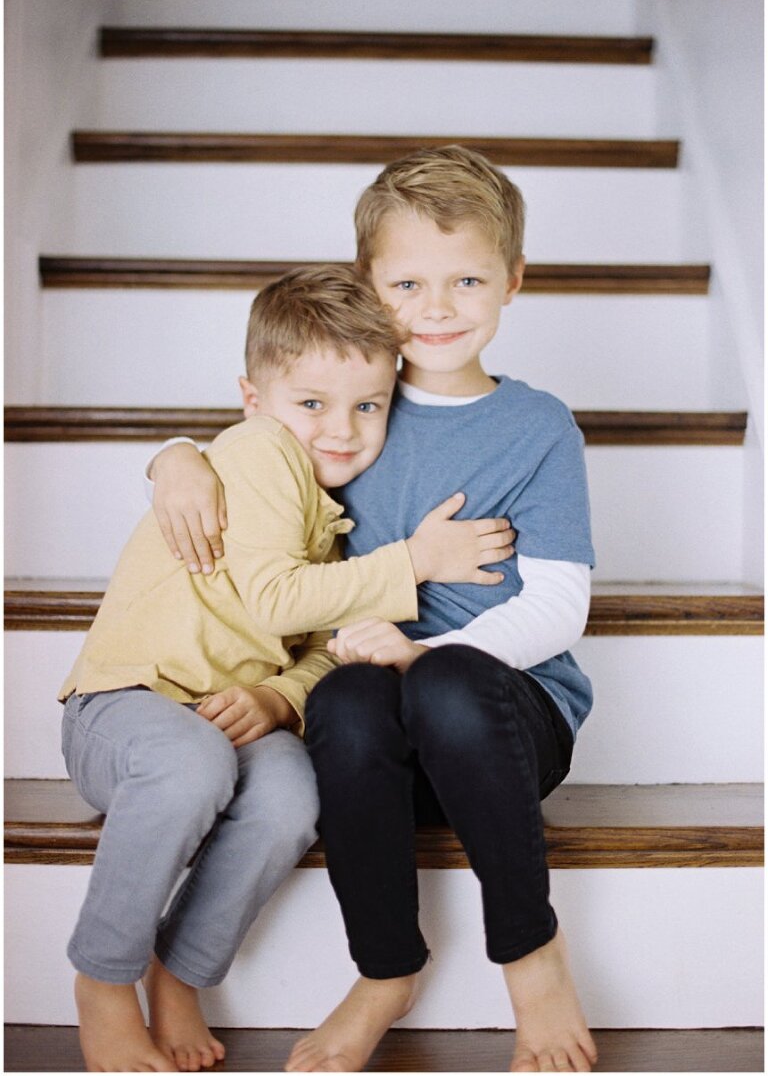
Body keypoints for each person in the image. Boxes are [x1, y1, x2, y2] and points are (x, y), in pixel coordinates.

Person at [149, 146, 598, 1074]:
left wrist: (420, 654)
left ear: (512, 281)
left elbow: (560, 606)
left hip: (503, 728)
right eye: (408, 283)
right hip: (382, 750)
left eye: (467, 278)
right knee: (347, 701)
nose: (437, 307)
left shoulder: (538, 424)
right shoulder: (349, 410)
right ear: (368, 285)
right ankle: (384, 970)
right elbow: (254, 443)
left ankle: (530, 950)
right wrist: (176, 455)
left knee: (444, 682)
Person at [58, 264, 514, 1074]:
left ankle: (181, 969)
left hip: (226, 718)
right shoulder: (260, 453)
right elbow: (277, 601)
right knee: (189, 761)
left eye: (367, 405)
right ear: (254, 398)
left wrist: (278, 695)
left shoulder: (335, 517)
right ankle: (103, 979)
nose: (342, 428)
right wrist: (417, 560)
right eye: (313, 403)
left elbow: (320, 647)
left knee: (294, 794)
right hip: (124, 707)